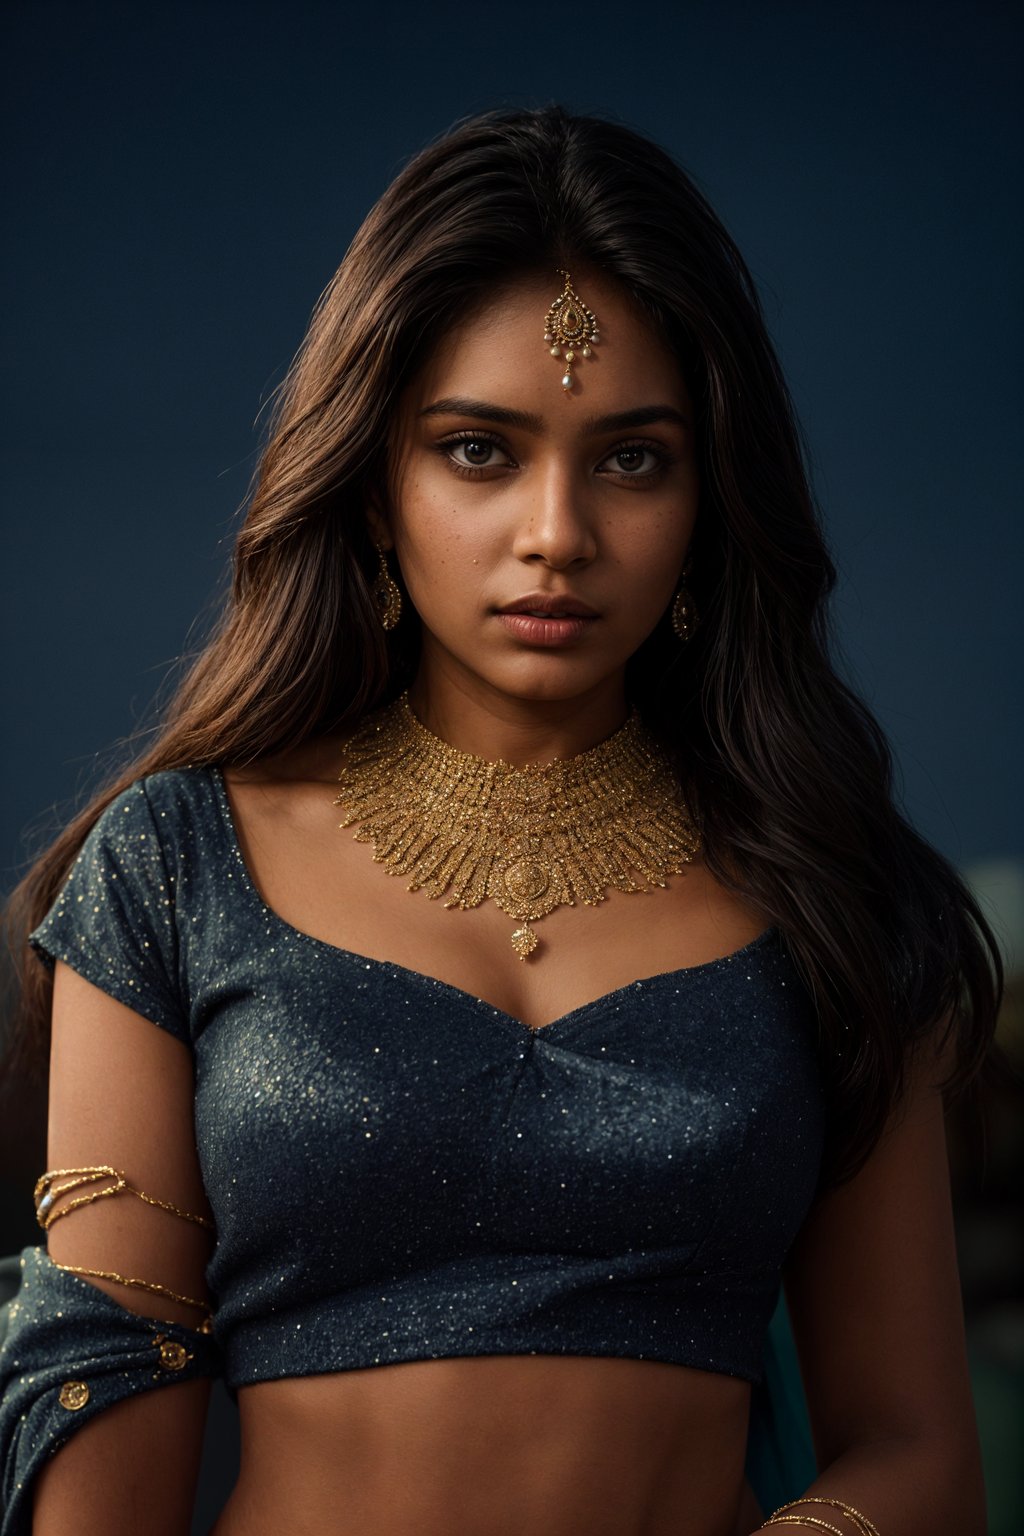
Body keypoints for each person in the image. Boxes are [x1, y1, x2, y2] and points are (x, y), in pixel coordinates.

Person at [0, 105, 1002, 1536]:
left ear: (712, 502)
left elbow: (917, 1449)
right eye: (479, 451)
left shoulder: (832, 896)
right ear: (374, 485)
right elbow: (105, 1410)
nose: (557, 532)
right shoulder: (176, 868)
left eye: (633, 459)